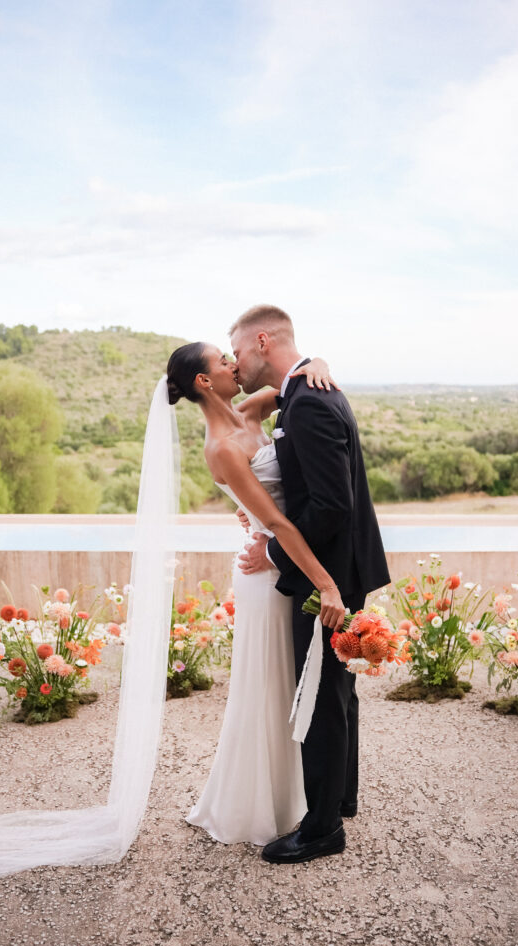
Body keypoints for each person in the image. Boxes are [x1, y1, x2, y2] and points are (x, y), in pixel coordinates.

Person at [165, 342, 347, 846]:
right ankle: (263, 802)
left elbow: (295, 380)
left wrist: (320, 364)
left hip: (284, 556)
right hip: (268, 570)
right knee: (269, 683)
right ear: (204, 381)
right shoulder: (222, 447)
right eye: (223, 361)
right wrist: (326, 583)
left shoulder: (249, 410)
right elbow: (273, 519)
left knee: (293, 678)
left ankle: (309, 795)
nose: (233, 365)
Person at [230, 305, 390, 865]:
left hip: (329, 576)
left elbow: (331, 505)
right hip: (338, 568)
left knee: (321, 695)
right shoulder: (301, 393)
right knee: (337, 689)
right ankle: (338, 799)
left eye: (240, 351)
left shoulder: (310, 404)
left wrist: (274, 552)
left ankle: (322, 829)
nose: (236, 363)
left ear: (263, 340)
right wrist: (310, 364)